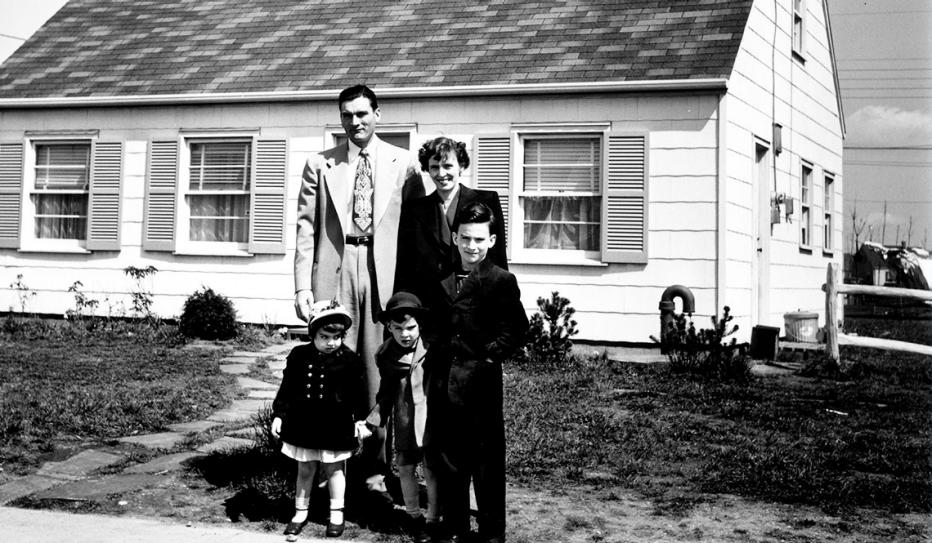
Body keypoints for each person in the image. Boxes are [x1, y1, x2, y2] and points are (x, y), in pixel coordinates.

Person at [294, 84, 426, 493]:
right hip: (335, 271)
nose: (355, 122)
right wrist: (302, 286)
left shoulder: (403, 163)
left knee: (375, 368)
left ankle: (372, 466)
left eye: (362, 114)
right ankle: (323, 463)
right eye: (347, 115)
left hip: (382, 272)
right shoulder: (320, 164)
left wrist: (411, 293)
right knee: (329, 364)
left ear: (377, 114)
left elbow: (415, 231)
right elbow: (305, 228)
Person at [430, 202, 529, 543]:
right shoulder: (441, 277)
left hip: (481, 386)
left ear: (492, 240)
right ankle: (454, 526)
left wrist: (490, 358)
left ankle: (491, 533)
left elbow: (517, 328)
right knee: (450, 460)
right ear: (455, 238)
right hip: (445, 382)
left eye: (479, 240)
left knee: (486, 462)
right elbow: (433, 325)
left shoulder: (500, 280)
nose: (472, 246)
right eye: (465, 238)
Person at [271, 300, 371, 540]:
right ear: (312, 334)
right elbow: (287, 388)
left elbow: (359, 393)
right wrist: (279, 415)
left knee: (335, 469)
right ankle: (300, 513)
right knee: (305, 468)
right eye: (324, 336)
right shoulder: (298, 356)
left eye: (336, 337)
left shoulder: (350, 360)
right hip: (303, 421)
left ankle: (336, 514)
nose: (331, 343)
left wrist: (359, 420)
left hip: (335, 425)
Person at [395, 136, 507, 319]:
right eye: (434, 167)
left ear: (461, 166)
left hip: (476, 302)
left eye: (448, 166)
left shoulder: (486, 201)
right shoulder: (414, 209)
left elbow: (498, 258)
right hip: (431, 305)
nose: (441, 173)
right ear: (427, 169)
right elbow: (406, 266)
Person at [365, 291, 439, 543]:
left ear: (419, 325)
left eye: (410, 327)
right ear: (388, 327)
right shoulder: (385, 355)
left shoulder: (432, 346)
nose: (405, 334)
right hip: (406, 420)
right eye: (398, 328)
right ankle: (413, 516)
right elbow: (385, 392)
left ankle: (433, 519)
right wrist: (376, 417)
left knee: (432, 470)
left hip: (432, 419)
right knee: (406, 468)